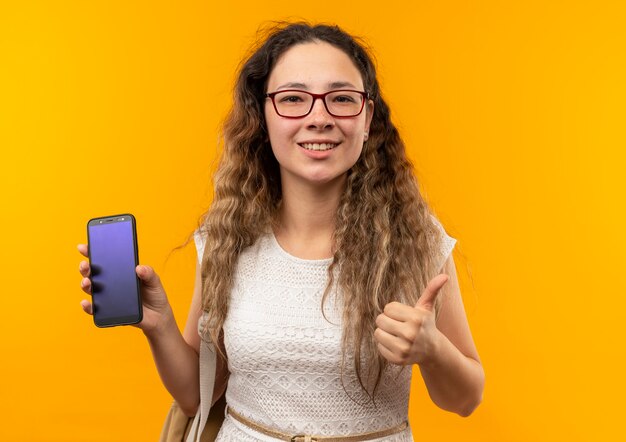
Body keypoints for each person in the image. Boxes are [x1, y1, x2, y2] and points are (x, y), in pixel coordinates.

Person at [78, 22, 484, 441]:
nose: (319, 118)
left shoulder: (415, 239)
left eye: (342, 99)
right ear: (263, 118)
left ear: (367, 119)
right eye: (293, 99)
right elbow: (198, 397)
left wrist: (432, 351)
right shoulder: (228, 236)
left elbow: (466, 398)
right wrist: (158, 324)